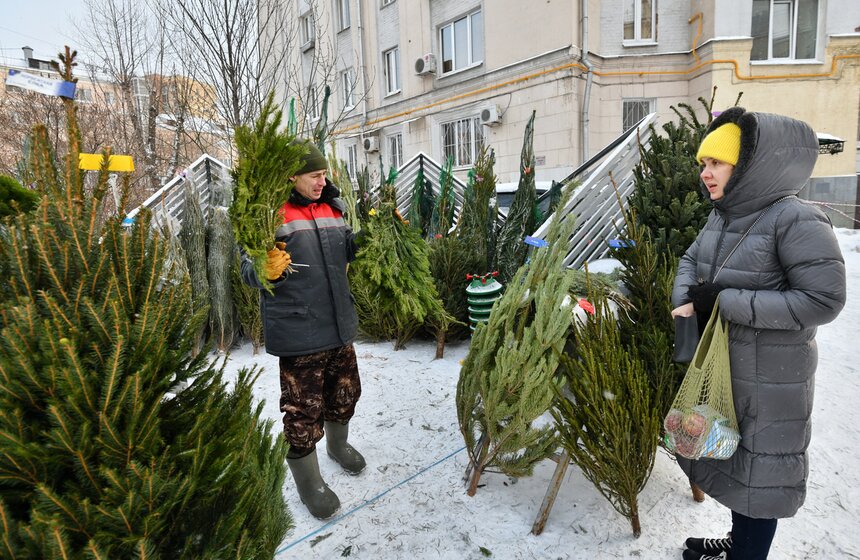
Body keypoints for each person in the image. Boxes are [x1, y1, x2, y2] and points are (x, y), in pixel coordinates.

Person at [670, 108, 846, 560]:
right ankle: (739, 542)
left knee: (760, 476)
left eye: (717, 163)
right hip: (730, 370)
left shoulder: (795, 219)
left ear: (748, 165)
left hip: (772, 380)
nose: (705, 173)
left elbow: (823, 300)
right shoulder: (723, 216)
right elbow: (690, 258)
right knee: (738, 465)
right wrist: (686, 297)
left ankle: (747, 554)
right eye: (703, 163)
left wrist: (723, 301)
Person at [241, 140, 364, 520]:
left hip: (338, 322)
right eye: (314, 175)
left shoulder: (332, 206)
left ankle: (338, 446)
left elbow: (346, 249)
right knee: (302, 411)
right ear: (291, 176)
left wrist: (368, 240)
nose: (321, 181)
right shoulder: (268, 214)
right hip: (300, 330)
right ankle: (310, 483)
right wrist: (264, 269)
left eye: (324, 174)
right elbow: (246, 268)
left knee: (345, 393)